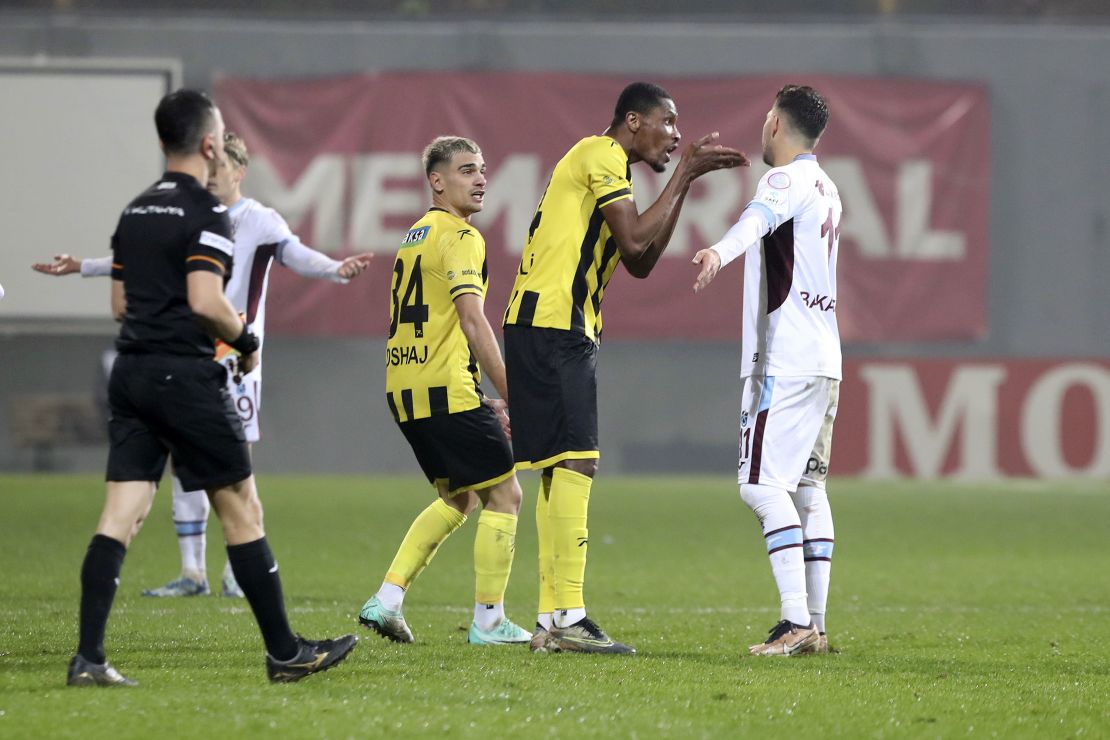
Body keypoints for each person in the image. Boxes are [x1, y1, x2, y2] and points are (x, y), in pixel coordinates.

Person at [66, 89, 357, 686]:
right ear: (206, 143)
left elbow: (121, 304)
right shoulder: (210, 215)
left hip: (132, 373)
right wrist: (246, 342)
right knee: (242, 508)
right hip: (187, 375)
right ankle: (285, 653)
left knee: (120, 514)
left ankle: (89, 658)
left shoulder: (135, 210)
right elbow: (207, 302)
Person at [34, 132, 372, 600]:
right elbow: (135, 259)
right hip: (189, 351)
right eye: (208, 169)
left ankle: (238, 568)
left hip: (237, 356)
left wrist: (336, 268)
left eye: (220, 170)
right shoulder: (192, 217)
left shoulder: (258, 219)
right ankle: (193, 572)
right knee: (183, 458)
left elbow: (295, 254)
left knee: (237, 469)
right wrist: (84, 266)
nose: (211, 177)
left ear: (240, 171)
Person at [502, 81, 749, 654]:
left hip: (546, 323)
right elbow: (637, 239)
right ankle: (569, 614)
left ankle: (550, 619)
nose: (676, 134)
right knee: (578, 462)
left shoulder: (610, 167)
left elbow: (639, 260)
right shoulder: (602, 154)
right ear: (633, 121)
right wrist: (684, 172)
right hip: (556, 323)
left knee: (559, 468)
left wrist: (681, 178)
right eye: (668, 122)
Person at [357, 136, 531, 647]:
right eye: (465, 170)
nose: (480, 179)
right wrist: (514, 395)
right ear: (437, 181)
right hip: (445, 388)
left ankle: (386, 601)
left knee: (457, 499)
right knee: (506, 495)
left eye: (482, 169)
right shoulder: (461, 236)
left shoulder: (414, 234)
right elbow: (473, 322)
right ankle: (490, 622)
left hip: (405, 387)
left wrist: (483, 395)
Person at [691, 84, 841, 657]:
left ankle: (794, 621)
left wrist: (716, 252)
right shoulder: (829, 188)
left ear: (775, 122)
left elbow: (755, 221)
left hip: (787, 359)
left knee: (758, 485)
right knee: (807, 487)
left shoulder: (785, 180)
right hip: (826, 359)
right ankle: (818, 626)